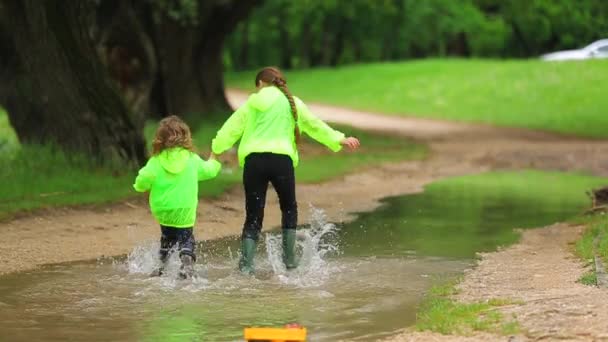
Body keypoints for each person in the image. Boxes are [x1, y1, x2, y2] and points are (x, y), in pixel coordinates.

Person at [211, 66, 360, 275]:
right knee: (289, 207)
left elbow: (231, 128)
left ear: (260, 84)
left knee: (254, 214)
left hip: (254, 162)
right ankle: (290, 261)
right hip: (282, 161)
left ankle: (246, 265)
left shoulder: (252, 103)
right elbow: (314, 125)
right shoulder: (293, 103)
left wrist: (217, 148)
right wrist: (339, 138)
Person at [133, 115, 221, 278]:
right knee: (186, 237)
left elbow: (143, 178)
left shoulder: (156, 161)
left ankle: (161, 266)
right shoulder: (191, 159)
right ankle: (186, 261)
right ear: (185, 137)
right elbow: (209, 171)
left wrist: (140, 187)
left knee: (167, 236)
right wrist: (214, 159)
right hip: (184, 208)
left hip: (163, 208)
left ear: (159, 139)